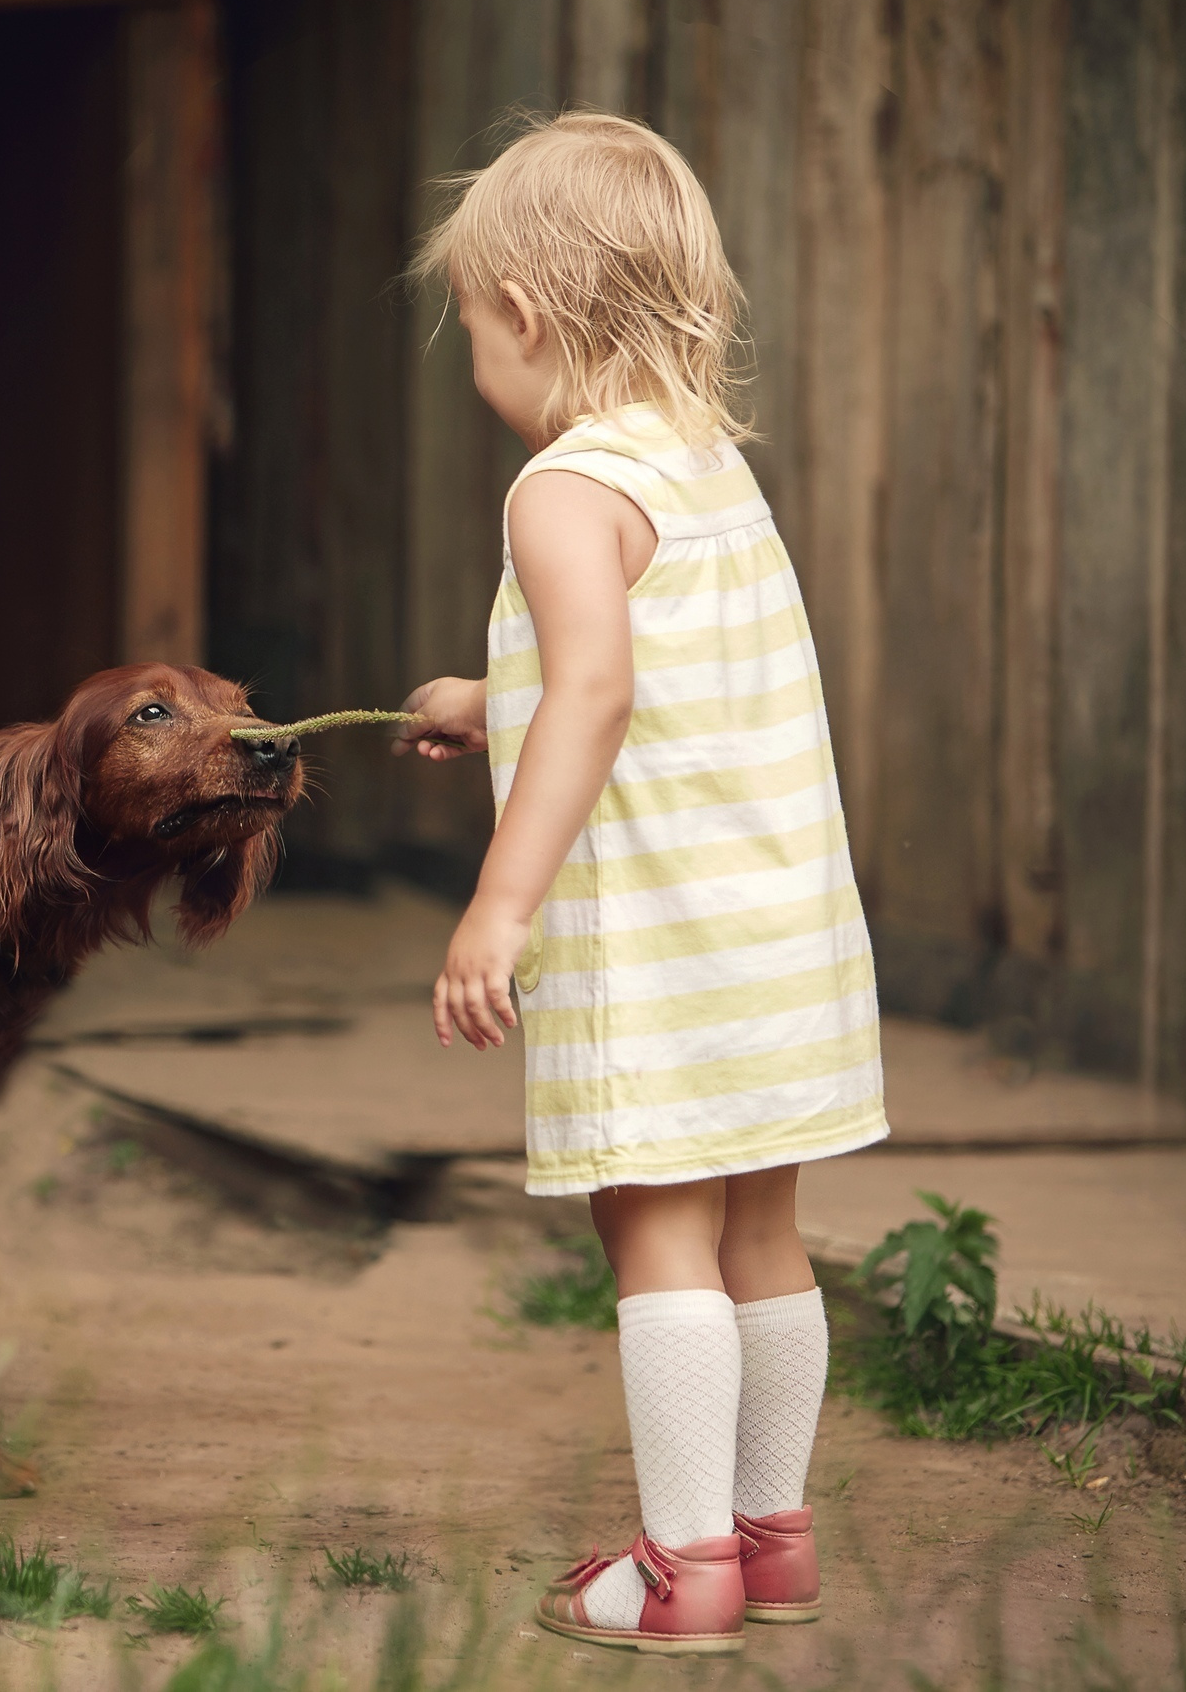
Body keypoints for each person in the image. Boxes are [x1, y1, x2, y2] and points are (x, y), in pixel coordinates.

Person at [397, 111, 887, 1657]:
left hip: (659, 942)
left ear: (525, 317)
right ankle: (772, 1541)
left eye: (473, 328)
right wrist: (490, 699)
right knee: (763, 1234)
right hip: (775, 932)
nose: (476, 359)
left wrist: (500, 904)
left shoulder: (558, 491)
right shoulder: (703, 463)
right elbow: (656, 674)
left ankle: (685, 1572)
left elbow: (599, 692)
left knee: (656, 1233)